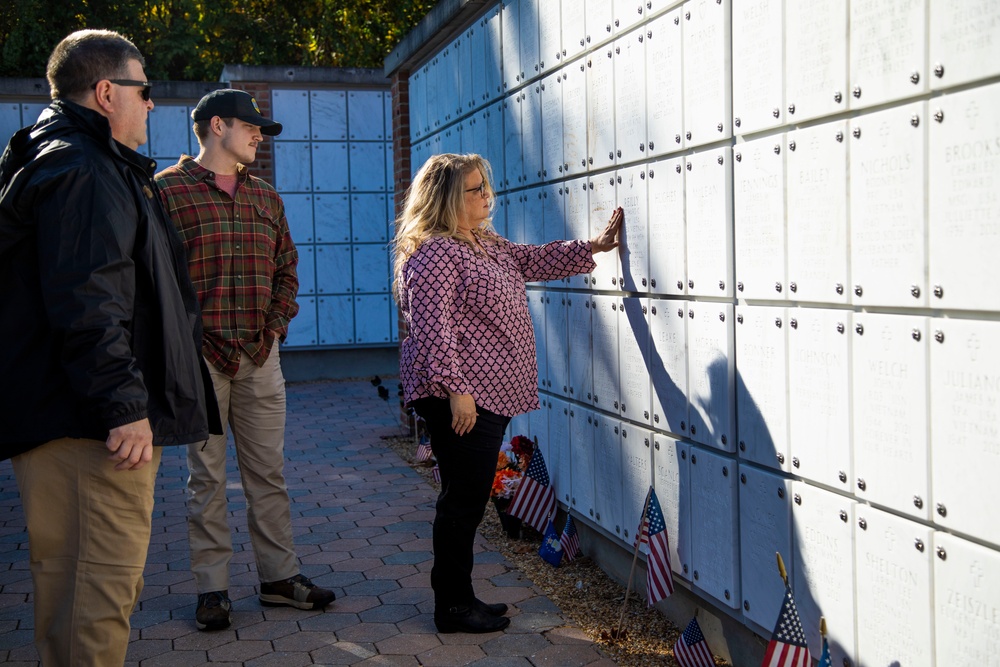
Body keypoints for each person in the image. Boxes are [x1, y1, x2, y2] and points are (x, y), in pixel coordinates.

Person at [0, 29, 220, 665]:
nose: (152, 104)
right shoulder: (84, 169)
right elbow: (88, 304)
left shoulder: (75, 157)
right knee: (94, 603)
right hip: (92, 432)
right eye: (143, 90)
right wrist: (125, 407)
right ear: (105, 92)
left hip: (82, 422)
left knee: (83, 598)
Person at [393, 153, 623, 633]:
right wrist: (457, 391)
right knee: (463, 501)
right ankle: (453, 608)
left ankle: (460, 597)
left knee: (469, 499)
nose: (484, 195)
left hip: (482, 393)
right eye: (473, 189)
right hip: (460, 397)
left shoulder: (481, 241)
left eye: (483, 185)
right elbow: (433, 330)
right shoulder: (436, 251)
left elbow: (530, 259)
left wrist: (593, 247)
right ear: (447, 197)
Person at [156, 89, 335, 631]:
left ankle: (279, 579)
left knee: (268, 474)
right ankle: (212, 590)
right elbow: (155, 278)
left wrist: (275, 330)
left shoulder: (266, 198)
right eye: (251, 127)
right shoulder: (165, 193)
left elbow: (287, 269)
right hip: (200, 361)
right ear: (217, 126)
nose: (259, 135)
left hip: (260, 356)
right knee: (205, 479)